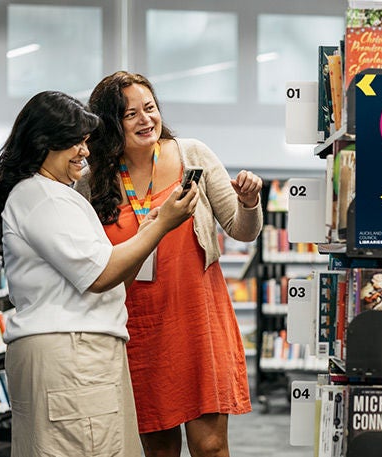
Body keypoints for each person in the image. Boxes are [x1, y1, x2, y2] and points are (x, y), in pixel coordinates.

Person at [0, 90, 198, 457]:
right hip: (72, 354)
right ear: (44, 143)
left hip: (84, 352)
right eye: (75, 143)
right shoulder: (43, 198)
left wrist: (147, 230)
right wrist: (161, 225)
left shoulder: (53, 195)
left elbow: (113, 279)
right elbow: (100, 276)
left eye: (86, 142)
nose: (85, 153)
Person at [78, 71, 263, 457]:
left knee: (210, 446)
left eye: (150, 108)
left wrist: (249, 203)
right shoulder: (93, 180)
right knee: (159, 451)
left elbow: (242, 231)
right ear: (111, 124)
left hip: (197, 317)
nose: (146, 120)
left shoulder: (191, 154)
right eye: (131, 114)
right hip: (138, 328)